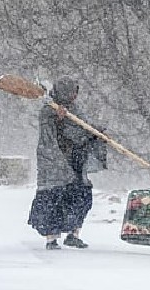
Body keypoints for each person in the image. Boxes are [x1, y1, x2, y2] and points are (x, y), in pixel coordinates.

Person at [28, 77, 104, 249]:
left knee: (81, 196)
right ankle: (51, 238)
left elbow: (81, 130)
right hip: (54, 162)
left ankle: (74, 233)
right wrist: (58, 120)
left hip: (75, 160)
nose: (74, 96)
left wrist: (96, 132)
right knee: (53, 199)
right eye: (71, 92)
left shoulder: (75, 110)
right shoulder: (48, 111)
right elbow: (50, 135)